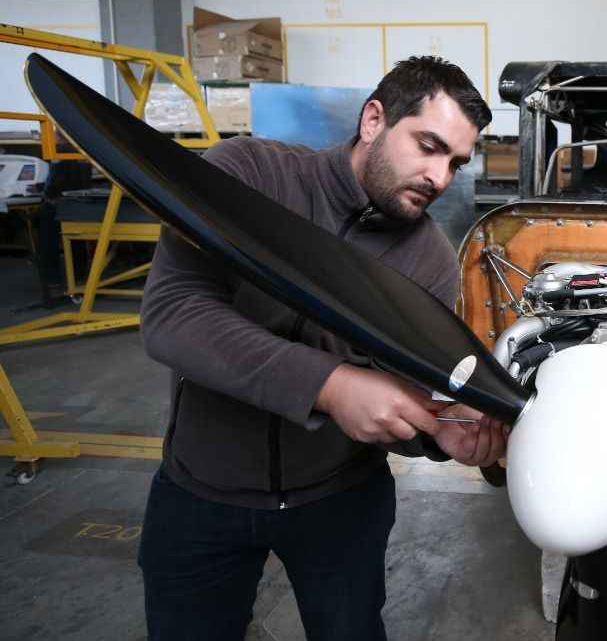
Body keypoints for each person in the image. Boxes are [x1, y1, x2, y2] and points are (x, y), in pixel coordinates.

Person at [136, 56, 508, 640]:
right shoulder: (248, 175)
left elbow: (399, 392)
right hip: (201, 493)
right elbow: (173, 313)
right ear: (373, 120)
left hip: (341, 504)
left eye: (455, 163)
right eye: (428, 146)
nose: (439, 178)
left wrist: (438, 431)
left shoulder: (430, 260)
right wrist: (329, 386)